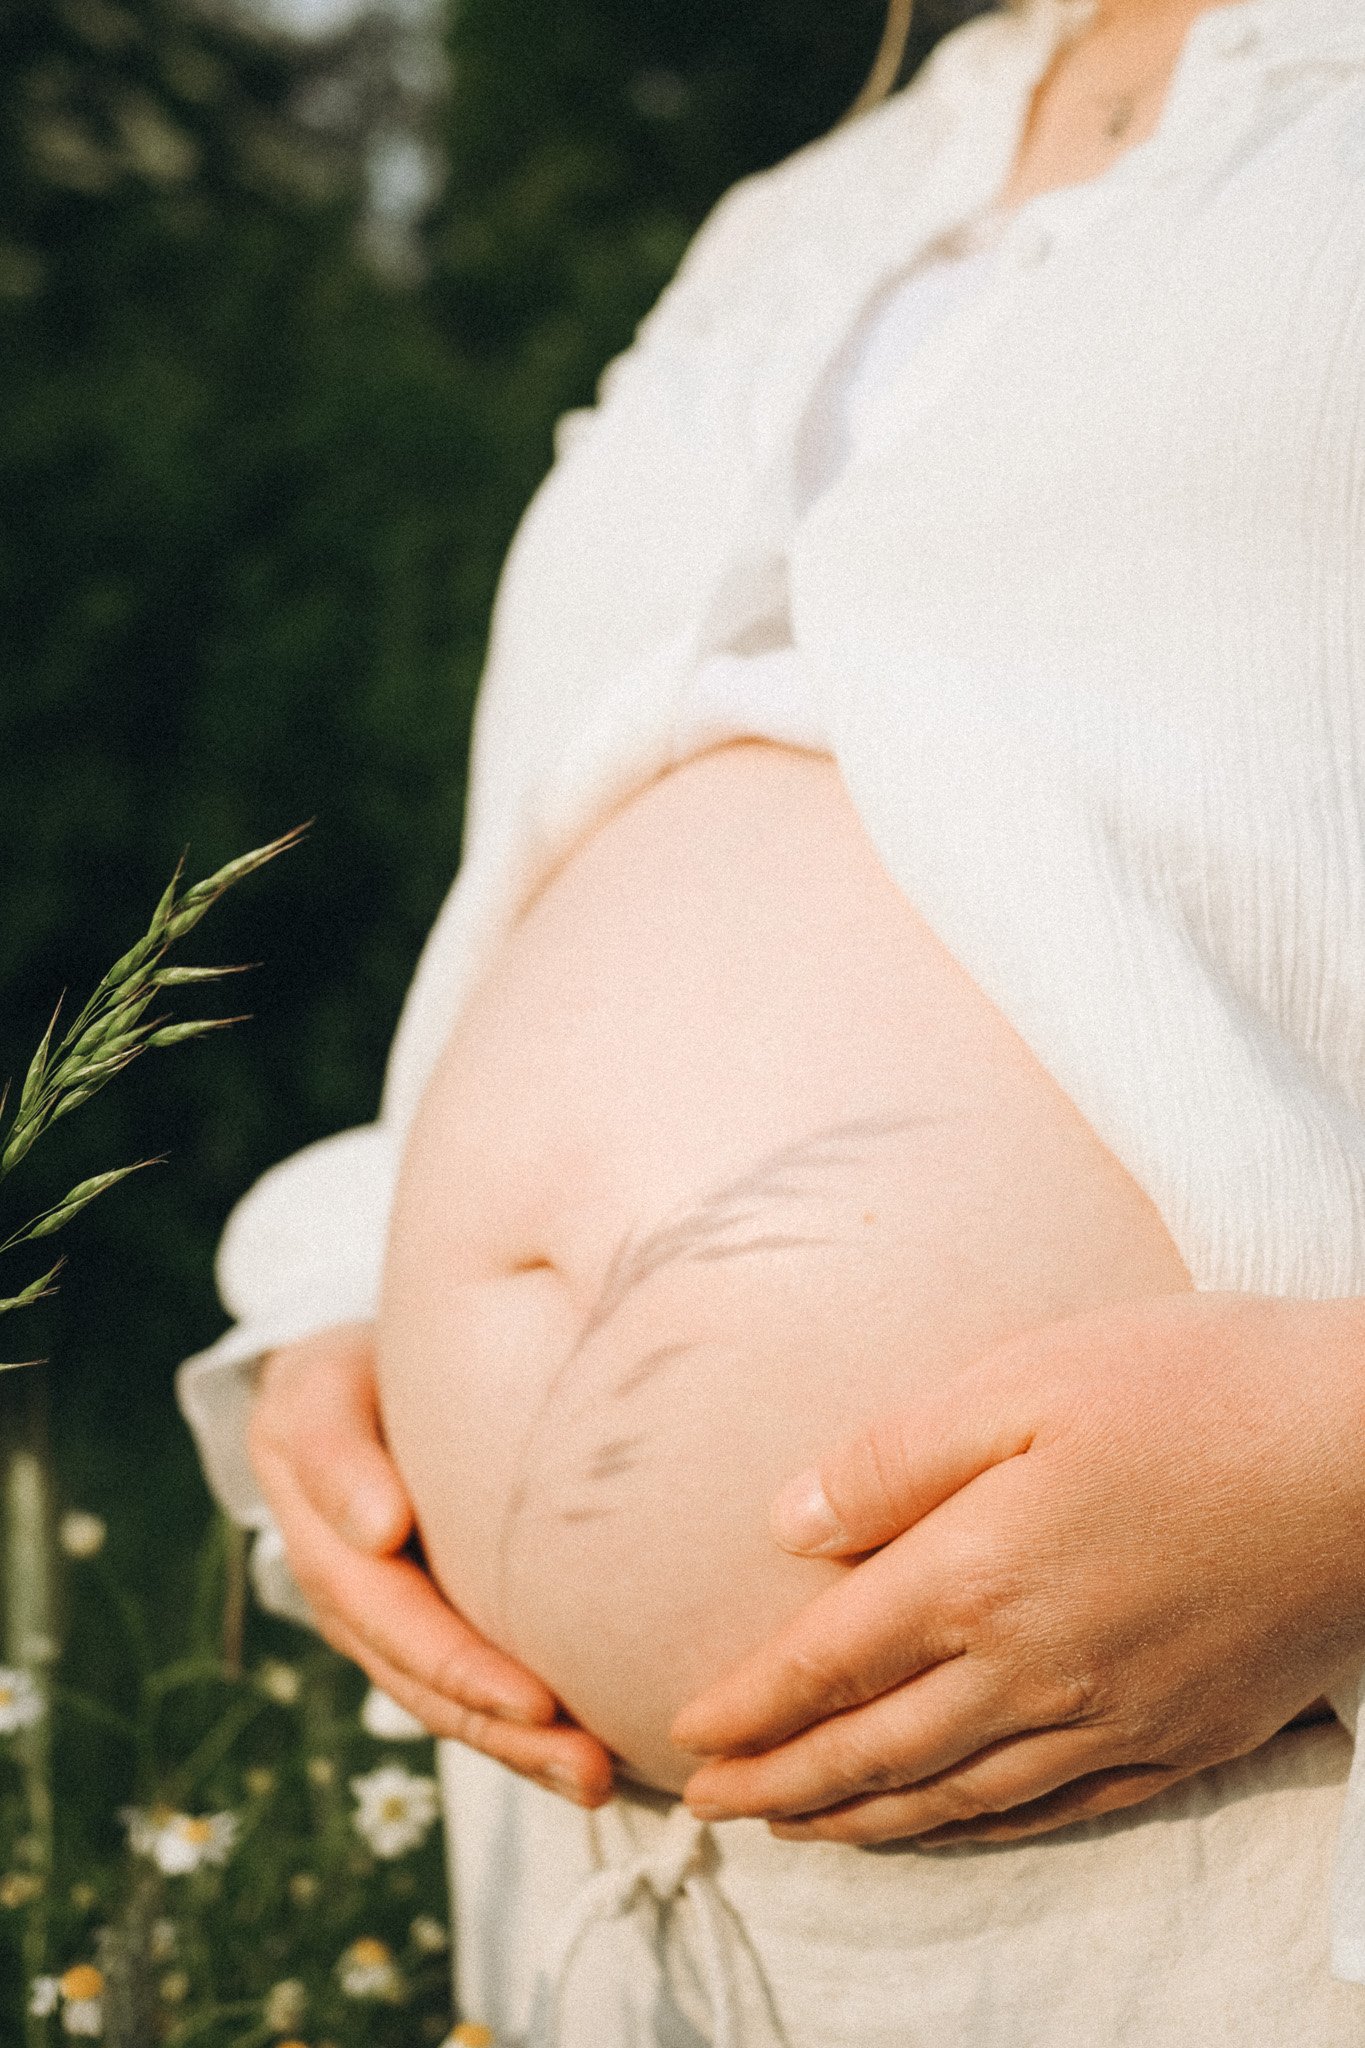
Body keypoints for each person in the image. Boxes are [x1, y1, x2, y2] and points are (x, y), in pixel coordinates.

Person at [179, 0, 1365, 2039]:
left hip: (1231, 1848)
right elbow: (553, 850)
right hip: (601, 1893)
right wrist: (352, 1318)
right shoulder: (808, 209)